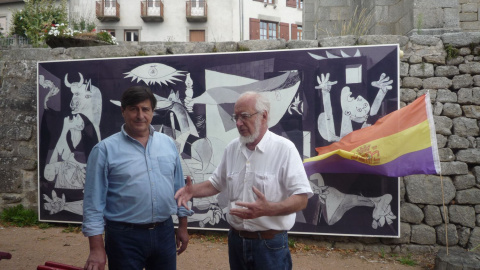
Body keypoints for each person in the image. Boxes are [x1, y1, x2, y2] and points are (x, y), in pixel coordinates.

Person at [175, 91, 313, 270]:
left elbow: (301, 199)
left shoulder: (284, 149)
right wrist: (192, 191)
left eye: (245, 116)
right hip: (236, 242)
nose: (239, 123)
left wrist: (270, 209)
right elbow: (216, 184)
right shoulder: (232, 148)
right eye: (236, 117)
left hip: (270, 245)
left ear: (264, 116)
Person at [82, 86, 192, 270]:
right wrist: (96, 248)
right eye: (133, 109)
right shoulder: (104, 150)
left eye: (145, 109)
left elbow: (180, 188)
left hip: (164, 233)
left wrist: (182, 226)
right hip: (124, 238)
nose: (140, 115)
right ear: (123, 111)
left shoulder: (168, 144)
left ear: (153, 112)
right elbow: (93, 203)